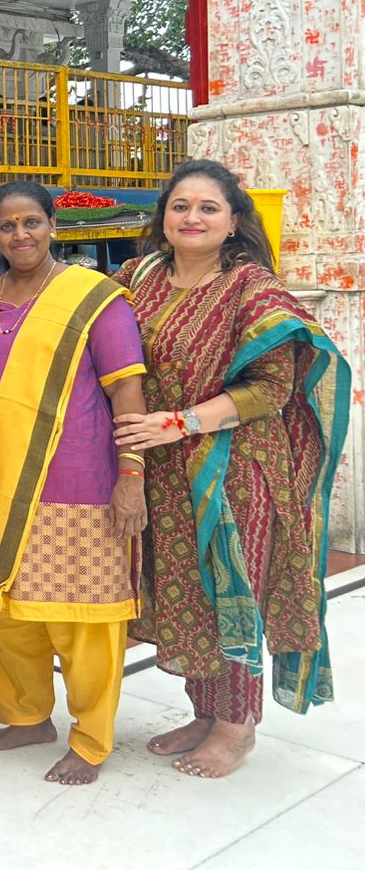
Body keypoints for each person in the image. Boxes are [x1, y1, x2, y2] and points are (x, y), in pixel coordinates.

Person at [113, 159, 349, 779]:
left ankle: (236, 728)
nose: (191, 217)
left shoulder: (252, 289)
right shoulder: (139, 276)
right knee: (185, 590)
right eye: (180, 206)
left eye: (208, 208)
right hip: (164, 467)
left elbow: (272, 387)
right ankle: (204, 713)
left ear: (234, 221)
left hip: (233, 465)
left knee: (228, 587)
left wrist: (183, 422)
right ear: (164, 217)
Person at [0, 181, 148, 785]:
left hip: (78, 482)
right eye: (7, 226)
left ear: (52, 226)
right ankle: (27, 717)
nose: (21, 235)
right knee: (5, 612)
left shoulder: (95, 298)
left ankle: (91, 740)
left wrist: (131, 476)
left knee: (85, 618)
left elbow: (128, 390)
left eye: (32, 222)